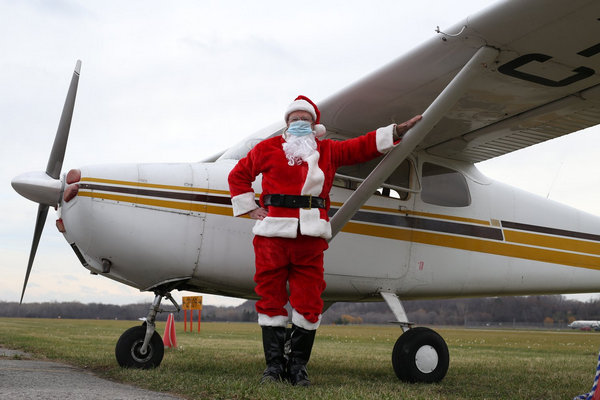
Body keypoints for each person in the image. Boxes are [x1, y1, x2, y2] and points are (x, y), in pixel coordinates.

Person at [228, 95, 421, 386]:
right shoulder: (266, 149)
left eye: (305, 120)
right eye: (295, 120)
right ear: (286, 124)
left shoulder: (329, 151)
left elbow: (361, 147)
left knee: (309, 304)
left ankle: (297, 368)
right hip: (271, 238)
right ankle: (273, 367)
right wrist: (250, 206)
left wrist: (394, 132)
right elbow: (238, 175)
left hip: (310, 239)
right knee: (270, 301)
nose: (300, 124)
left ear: (315, 125)